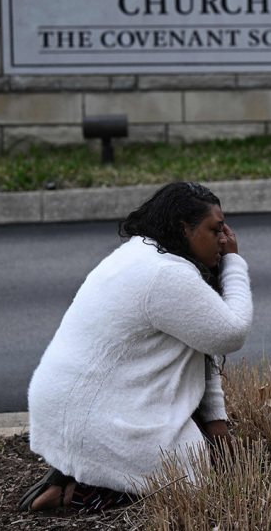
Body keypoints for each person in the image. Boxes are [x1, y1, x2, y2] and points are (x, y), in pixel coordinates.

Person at [18, 182, 253, 513]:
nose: (226, 239)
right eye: (215, 230)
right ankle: (76, 492)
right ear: (184, 228)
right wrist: (234, 266)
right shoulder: (167, 275)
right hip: (93, 418)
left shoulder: (140, 252)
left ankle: (80, 468)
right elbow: (231, 334)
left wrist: (216, 424)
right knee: (194, 484)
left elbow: (203, 350)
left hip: (70, 410)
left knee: (214, 459)